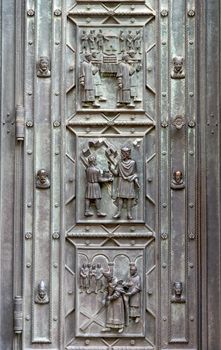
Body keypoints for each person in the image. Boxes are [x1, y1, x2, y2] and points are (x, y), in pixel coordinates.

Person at [108, 147, 140, 219]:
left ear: (126, 154)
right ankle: (118, 212)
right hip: (121, 181)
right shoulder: (120, 163)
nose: (121, 155)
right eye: (122, 153)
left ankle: (129, 213)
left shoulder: (133, 163)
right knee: (120, 197)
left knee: (129, 198)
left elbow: (135, 174)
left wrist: (136, 181)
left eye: (123, 153)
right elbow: (116, 173)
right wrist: (111, 168)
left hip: (130, 181)